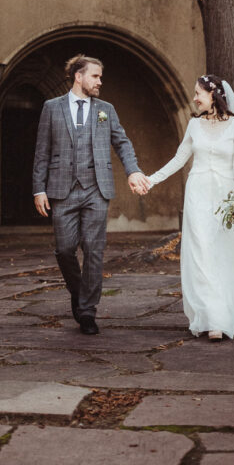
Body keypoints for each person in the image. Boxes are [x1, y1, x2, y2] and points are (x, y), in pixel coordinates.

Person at [146, 73, 234, 341]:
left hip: (226, 197)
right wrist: (150, 180)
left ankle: (226, 313)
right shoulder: (194, 126)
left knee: (225, 254)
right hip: (198, 195)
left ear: (213, 95)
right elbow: (180, 159)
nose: (194, 98)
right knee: (202, 253)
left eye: (197, 93)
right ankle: (212, 318)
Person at [32, 54, 149, 335]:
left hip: (97, 190)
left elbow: (122, 143)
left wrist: (133, 171)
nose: (100, 81)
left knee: (94, 252)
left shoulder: (106, 109)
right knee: (64, 249)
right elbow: (42, 151)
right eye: (95, 76)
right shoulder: (52, 107)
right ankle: (80, 292)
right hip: (62, 191)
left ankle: (87, 312)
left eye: (100, 76)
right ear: (79, 76)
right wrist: (39, 189)